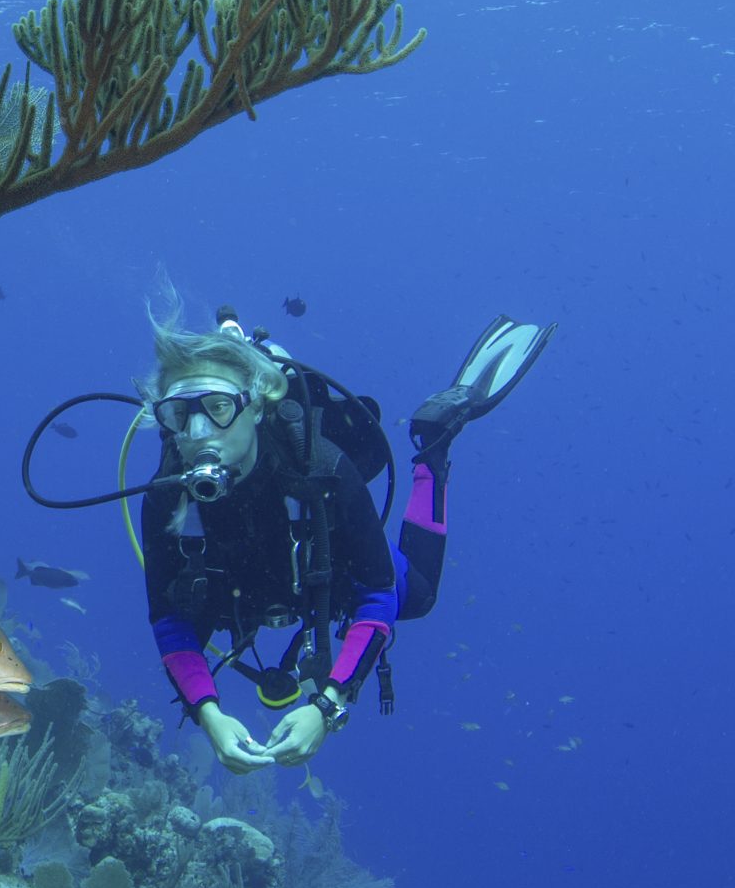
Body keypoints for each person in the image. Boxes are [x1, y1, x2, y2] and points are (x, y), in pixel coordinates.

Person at [142, 307, 551, 774]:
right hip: (234, 589)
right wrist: (208, 715)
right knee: (193, 616)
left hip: (325, 567)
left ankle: (433, 450)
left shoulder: (324, 469)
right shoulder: (167, 497)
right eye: (179, 414)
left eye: (217, 408)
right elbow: (168, 617)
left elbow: (377, 592)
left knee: (415, 596)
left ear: (255, 405)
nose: (197, 433)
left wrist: (328, 706)